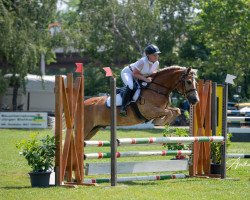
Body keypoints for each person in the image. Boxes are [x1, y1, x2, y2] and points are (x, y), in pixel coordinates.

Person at [120, 44, 161, 116]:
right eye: (154, 55)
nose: (156, 56)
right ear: (148, 55)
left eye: (157, 54)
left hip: (140, 75)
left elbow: (153, 72)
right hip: (128, 73)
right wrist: (146, 79)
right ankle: (123, 108)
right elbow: (135, 74)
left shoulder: (156, 63)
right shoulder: (142, 62)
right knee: (131, 86)